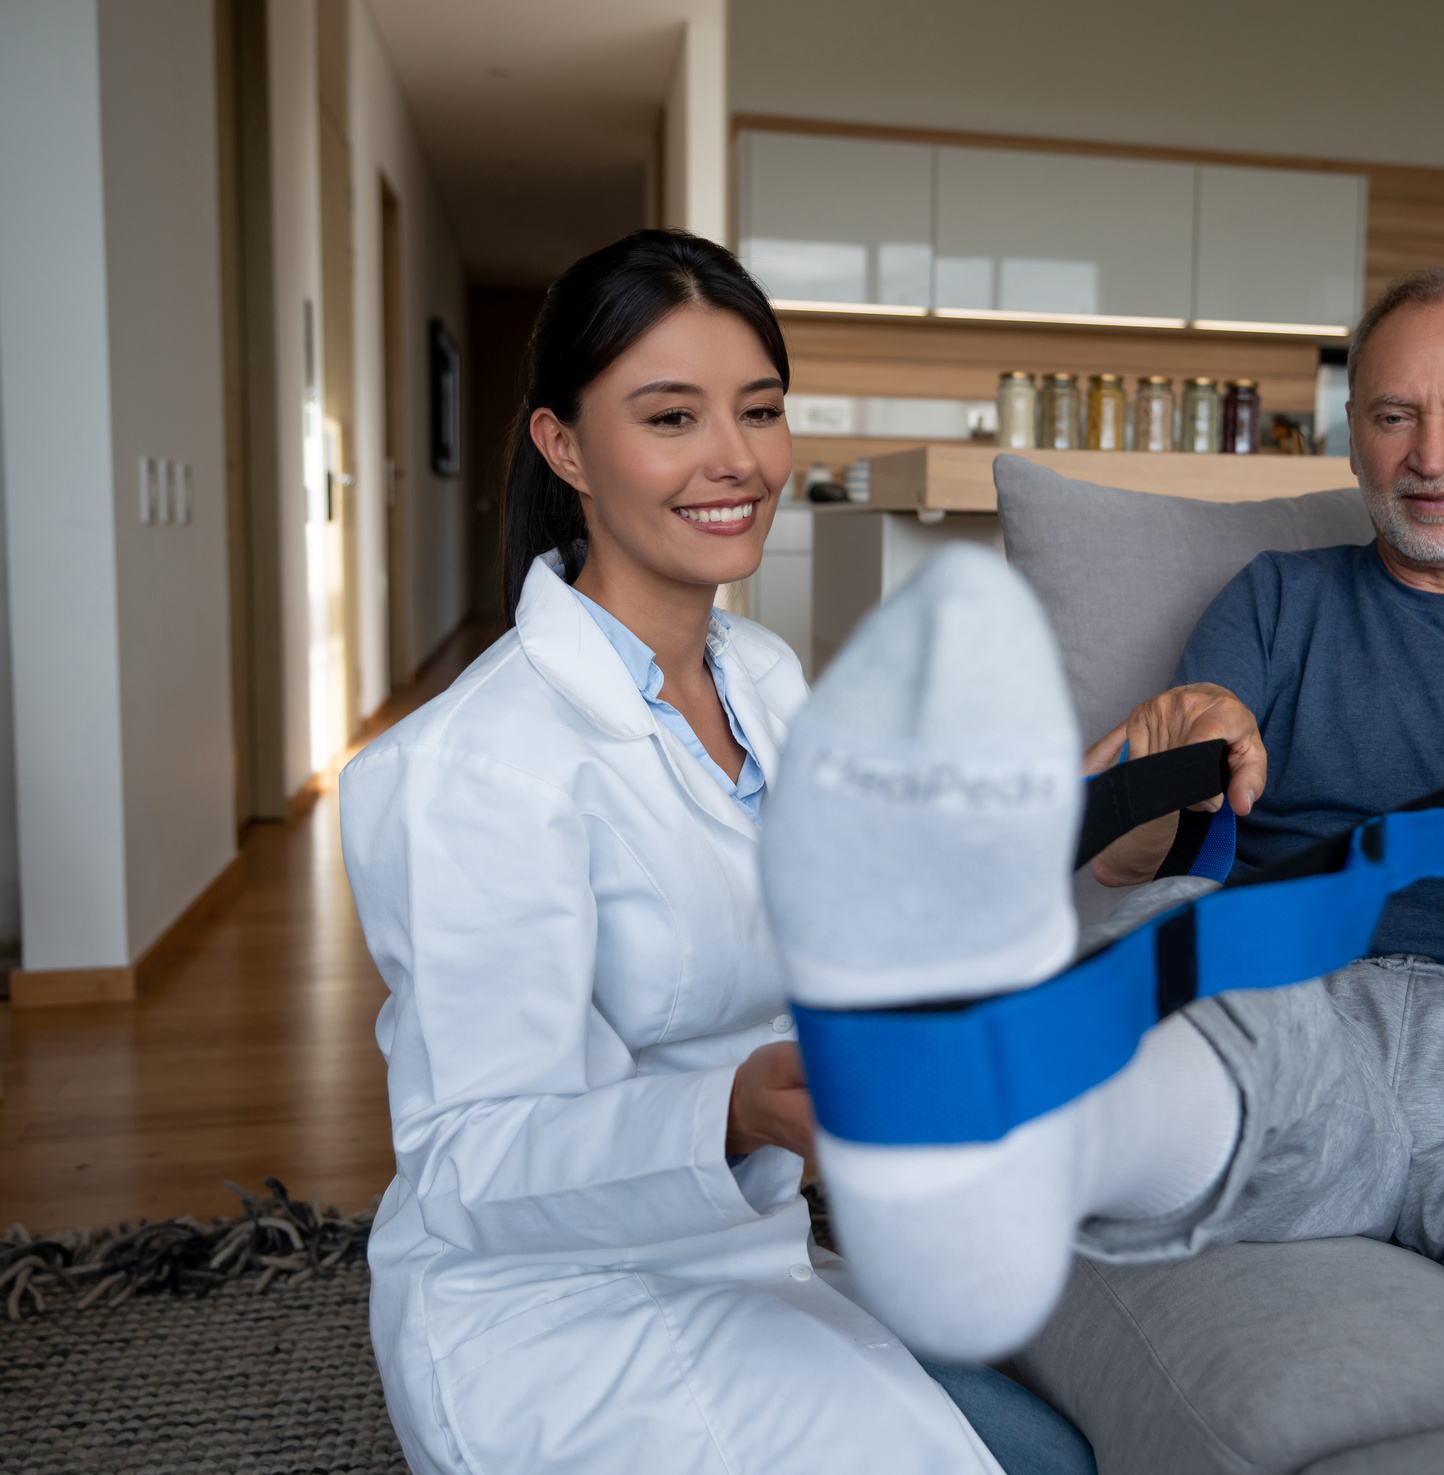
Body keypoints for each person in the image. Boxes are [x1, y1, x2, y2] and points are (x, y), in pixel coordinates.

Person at [759, 268, 1444, 1399]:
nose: (1430, 455)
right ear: (1355, 436)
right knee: (1155, 1003)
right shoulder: (1276, 601)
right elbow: (1126, 862)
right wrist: (1164, 752)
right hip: (1291, 1003)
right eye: (1395, 415)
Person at [340, 230, 1094, 1475]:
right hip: (551, 1312)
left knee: (1054, 1455)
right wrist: (733, 1110)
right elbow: (470, 1163)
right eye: (671, 416)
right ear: (563, 446)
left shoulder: (764, 677)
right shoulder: (472, 768)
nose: (734, 459)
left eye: (758, 408)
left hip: (740, 1247)